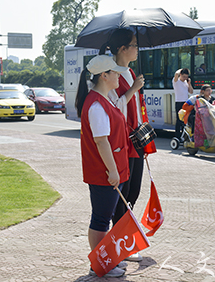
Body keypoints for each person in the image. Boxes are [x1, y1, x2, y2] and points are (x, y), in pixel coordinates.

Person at [101, 28, 157, 262]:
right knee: (122, 195)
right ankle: (122, 247)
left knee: (133, 191)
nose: (137, 48)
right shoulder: (112, 73)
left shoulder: (130, 72)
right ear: (122, 49)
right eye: (133, 44)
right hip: (121, 143)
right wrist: (133, 89)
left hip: (135, 141)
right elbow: (113, 108)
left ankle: (125, 242)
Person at [74, 54, 130, 278]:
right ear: (104, 76)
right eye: (115, 72)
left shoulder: (102, 100)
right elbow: (101, 141)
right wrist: (113, 170)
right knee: (101, 218)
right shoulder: (97, 104)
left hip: (108, 171)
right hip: (104, 173)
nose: (119, 76)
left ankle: (106, 259)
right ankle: (99, 263)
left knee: (104, 216)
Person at [173, 68, 193, 138]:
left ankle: (184, 136)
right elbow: (176, 74)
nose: (185, 78)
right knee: (179, 120)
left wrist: (189, 84)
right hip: (179, 102)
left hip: (186, 103)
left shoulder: (186, 82)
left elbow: (191, 91)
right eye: (184, 76)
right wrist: (181, 69)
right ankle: (177, 136)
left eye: (186, 77)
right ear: (180, 75)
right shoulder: (176, 81)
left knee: (186, 120)